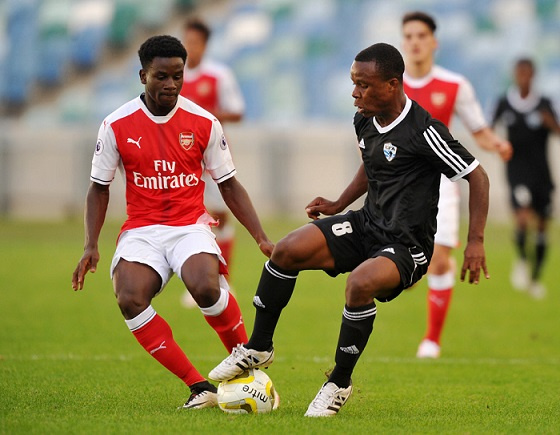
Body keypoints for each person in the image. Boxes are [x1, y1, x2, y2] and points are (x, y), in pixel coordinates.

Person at [208, 43, 490, 417]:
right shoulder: (364, 119)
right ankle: (259, 347)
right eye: (354, 83)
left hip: (407, 245)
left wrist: (475, 242)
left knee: (359, 283)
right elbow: (371, 164)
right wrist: (340, 204)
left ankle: (338, 383)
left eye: (364, 85)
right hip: (366, 223)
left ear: (392, 84)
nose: (355, 93)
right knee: (286, 250)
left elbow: (478, 176)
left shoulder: (424, 131)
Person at [71, 35, 273, 410]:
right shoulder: (116, 124)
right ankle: (199, 386)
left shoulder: (203, 121)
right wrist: (90, 245)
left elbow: (228, 183)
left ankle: (249, 362)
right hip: (142, 231)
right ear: (142, 75)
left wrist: (261, 237)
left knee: (204, 287)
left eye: (177, 76)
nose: (171, 85)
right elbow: (98, 189)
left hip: (189, 225)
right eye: (161, 76)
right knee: (129, 298)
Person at [401, 11, 512, 359]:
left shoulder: (454, 85)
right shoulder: (392, 84)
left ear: (434, 42)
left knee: (438, 260)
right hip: (398, 186)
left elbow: (479, 129)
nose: (415, 42)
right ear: (403, 42)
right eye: (409, 36)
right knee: (406, 273)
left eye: (421, 36)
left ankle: (431, 340)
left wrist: (497, 144)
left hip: (441, 184)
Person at [179, 17, 246, 308]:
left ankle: (223, 281)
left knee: (219, 217)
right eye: (186, 42)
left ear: (204, 45)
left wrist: (206, 114)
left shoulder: (218, 75)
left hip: (213, 157)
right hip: (181, 161)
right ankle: (196, 283)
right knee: (189, 220)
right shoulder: (173, 74)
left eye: (194, 42)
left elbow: (238, 112)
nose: (189, 48)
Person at [492, 58, 560, 299]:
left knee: (542, 226)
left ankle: (535, 278)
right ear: (514, 75)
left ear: (533, 76)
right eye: (520, 74)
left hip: (542, 173)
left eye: (528, 74)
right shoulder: (504, 103)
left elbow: (557, 131)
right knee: (521, 218)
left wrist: (549, 122)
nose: (523, 78)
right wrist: (497, 145)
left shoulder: (543, 104)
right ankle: (521, 260)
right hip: (516, 171)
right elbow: (489, 130)